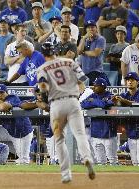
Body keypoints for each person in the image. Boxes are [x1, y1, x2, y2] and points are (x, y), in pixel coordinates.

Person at [36, 42, 95, 183]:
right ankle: (86, 158)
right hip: (73, 101)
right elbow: (82, 81)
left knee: (59, 139)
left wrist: (44, 90)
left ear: (43, 55)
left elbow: (43, 87)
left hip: (57, 104)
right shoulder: (69, 62)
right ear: (55, 51)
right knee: (80, 134)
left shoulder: (43, 68)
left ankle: (66, 174)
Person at [0, 84, 33, 165]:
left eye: (2, 93)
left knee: (23, 161)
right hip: (8, 130)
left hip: (22, 132)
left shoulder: (13, 97)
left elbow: (3, 107)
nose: (0, 95)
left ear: (7, 93)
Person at [112, 72, 139, 166]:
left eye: (132, 80)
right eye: (128, 80)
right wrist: (116, 102)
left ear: (137, 82)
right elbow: (119, 106)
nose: (130, 82)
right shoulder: (124, 95)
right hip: (131, 134)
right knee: (135, 164)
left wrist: (123, 101)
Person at [81, 78, 118, 165]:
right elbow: (83, 104)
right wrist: (97, 102)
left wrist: (93, 102)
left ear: (103, 86)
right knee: (100, 161)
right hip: (96, 134)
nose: (94, 87)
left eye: (96, 85)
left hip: (109, 134)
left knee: (112, 160)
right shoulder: (93, 95)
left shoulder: (110, 95)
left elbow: (105, 104)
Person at [77, 20, 110, 86]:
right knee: (82, 92)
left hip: (96, 72)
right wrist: (83, 39)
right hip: (84, 73)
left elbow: (95, 53)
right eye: (88, 28)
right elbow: (78, 51)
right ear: (86, 29)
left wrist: (83, 52)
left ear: (96, 28)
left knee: (105, 90)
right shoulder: (84, 40)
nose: (90, 29)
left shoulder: (100, 39)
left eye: (92, 27)